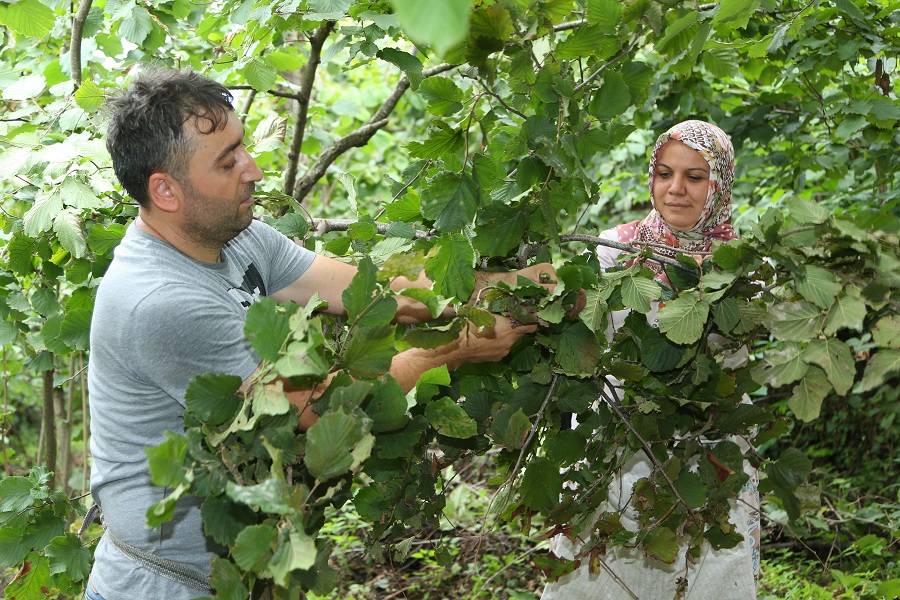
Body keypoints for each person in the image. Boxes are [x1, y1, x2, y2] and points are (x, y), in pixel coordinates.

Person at [85, 67, 553, 600]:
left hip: (238, 577)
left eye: (242, 147)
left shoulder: (237, 237)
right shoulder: (159, 301)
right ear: (165, 190)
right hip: (165, 587)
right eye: (227, 160)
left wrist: (501, 287)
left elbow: (372, 292)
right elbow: (319, 410)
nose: (255, 170)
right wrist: (456, 349)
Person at [541, 120, 760, 600]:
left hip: (710, 449)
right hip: (617, 446)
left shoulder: (744, 266)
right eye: (664, 173)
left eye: (695, 177)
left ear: (719, 183)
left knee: (711, 569)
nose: (675, 189)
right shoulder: (615, 250)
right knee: (606, 571)